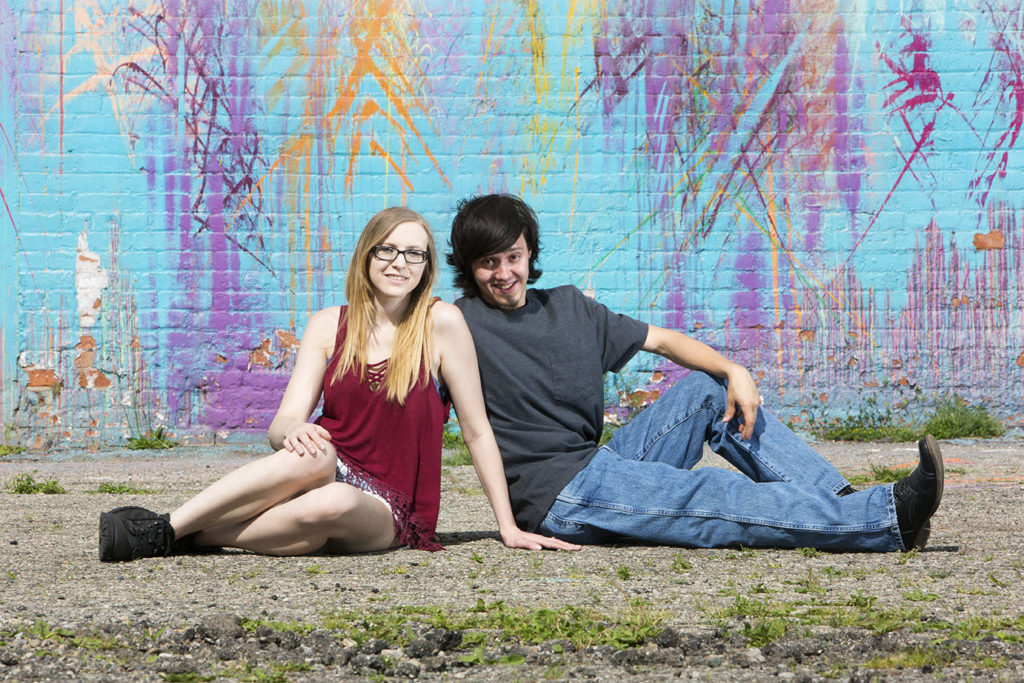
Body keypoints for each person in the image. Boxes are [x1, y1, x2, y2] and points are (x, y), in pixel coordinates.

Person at [446, 193, 944, 552]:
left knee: (706, 393)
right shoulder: (459, 324)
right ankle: (885, 516)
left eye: (513, 256)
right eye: (488, 263)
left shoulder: (571, 306)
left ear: (529, 252)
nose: (504, 273)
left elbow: (664, 340)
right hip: (558, 495)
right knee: (708, 495)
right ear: (470, 268)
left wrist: (734, 369)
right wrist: (503, 526)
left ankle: (845, 506)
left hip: (598, 464)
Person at [99, 207, 577, 562]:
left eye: (414, 254)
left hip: (386, 507)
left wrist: (507, 527)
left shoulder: (441, 323)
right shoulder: (328, 324)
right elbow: (281, 425)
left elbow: (476, 431)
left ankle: (191, 534)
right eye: (387, 250)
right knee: (317, 462)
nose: (399, 263)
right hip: (323, 474)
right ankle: (165, 530)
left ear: (426, 266)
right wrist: (293, 432)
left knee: (332, 503)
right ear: (366, 256)